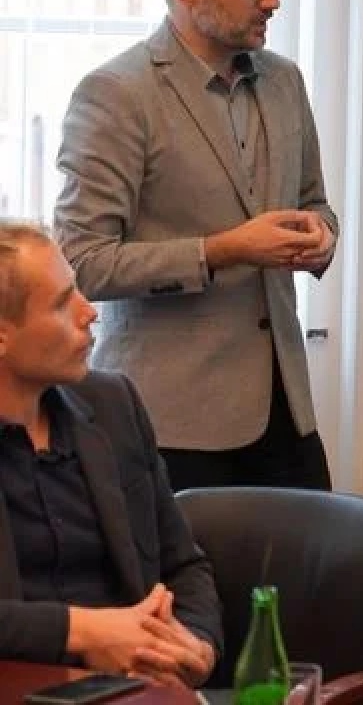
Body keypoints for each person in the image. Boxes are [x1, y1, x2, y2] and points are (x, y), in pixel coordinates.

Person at [53, 0, 339, 493]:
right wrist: (222, 250)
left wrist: (322, 236)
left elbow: (315, 203)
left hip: (285, 413)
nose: (272, 1)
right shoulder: (117, 94)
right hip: (170, 425)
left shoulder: (285, 82)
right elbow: (82, 261)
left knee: (315, 555)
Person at [0, 222, 221, 687]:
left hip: (136, 688)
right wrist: (83, 632)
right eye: (62, 302)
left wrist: (194, 644)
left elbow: (183, 565)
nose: (89, 312)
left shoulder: (113, 405)